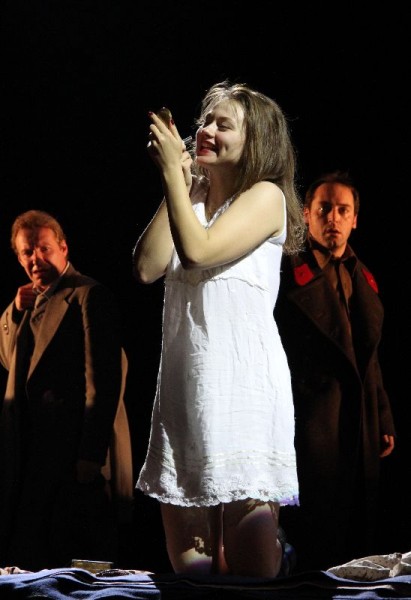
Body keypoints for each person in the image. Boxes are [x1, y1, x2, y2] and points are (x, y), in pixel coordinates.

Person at [132, 80, 305, 577]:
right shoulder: (191, 201)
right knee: (192, 570)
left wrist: (172, 171)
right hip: (187, 393)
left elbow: (199, 251)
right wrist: (181, 187)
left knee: (248, 570)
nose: (205, 130)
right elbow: (146, 268)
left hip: (242, 394)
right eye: (205, 120)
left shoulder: (266, 197)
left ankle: (280, 554)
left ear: (256, 142)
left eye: (222, 124)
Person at [274, 171, 396, 572]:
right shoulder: (286, 270)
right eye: (324, 208)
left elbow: (369, 356)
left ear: (355, 219)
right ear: (307, 215)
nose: (333, 218)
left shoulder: (363, 276)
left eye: (343, 210)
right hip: (309, 415)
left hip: (357, 416)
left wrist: (382, 417)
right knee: (314, 522)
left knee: (356, 520)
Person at [0, 210, 134, 571]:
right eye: (27, 252)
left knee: (82, 562)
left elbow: (104, 381)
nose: (35, 259)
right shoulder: (27, 303)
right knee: (32, 559)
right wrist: (15, 312)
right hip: (32, 453)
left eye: (44, 248)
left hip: (75, 452)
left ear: (63, 248)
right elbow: (8, 361)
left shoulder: (88, 295)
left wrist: (91, 455)